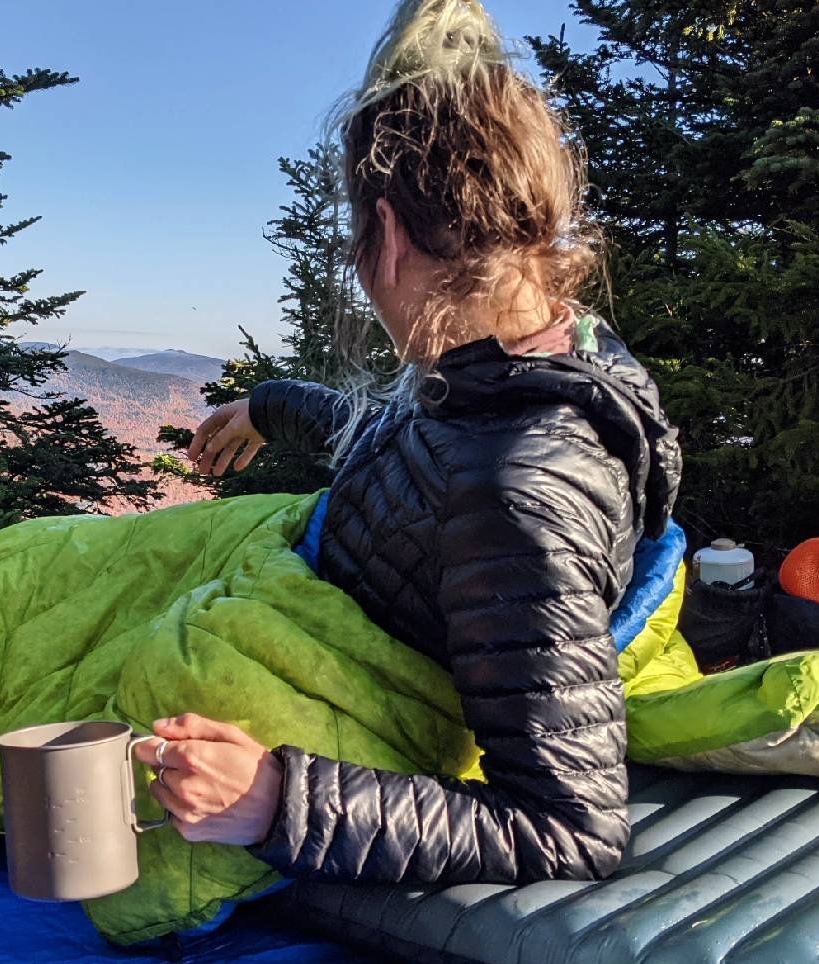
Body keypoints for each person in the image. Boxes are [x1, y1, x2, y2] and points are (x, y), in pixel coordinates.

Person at [132, 0, 681, 885]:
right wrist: (268, 408)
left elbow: (568, 831)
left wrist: (276, 799)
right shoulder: (539, 350)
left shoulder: (522, 492)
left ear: (385, 234)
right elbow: (406, 452)